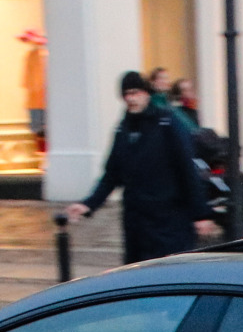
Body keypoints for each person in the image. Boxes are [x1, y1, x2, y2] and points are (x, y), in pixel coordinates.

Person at [64, 71, 218, 262]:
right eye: (126, 94)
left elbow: (187, 170)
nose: (131, 98)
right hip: (137, 225)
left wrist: (201, 214)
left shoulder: (167, 123)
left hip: (169, 221)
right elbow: (112, 174)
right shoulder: (123, 129)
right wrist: (88, 204)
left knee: (170, 277)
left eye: (135, 93)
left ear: (146, 93)